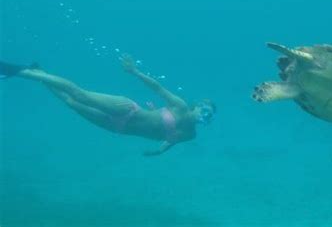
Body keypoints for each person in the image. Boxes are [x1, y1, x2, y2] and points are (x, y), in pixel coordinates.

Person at [0, 55, 216, 156]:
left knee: (71, 103)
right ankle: (19, 71)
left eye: (209, 115)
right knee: (80, 94)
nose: (205, 115)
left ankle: (40, 74)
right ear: (197, 106)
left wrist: (158, 152)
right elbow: (157, 88)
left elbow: (170, 140)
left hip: (116, 127)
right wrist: (135, 71)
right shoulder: (180, 106)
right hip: (126, 109)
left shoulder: (191, 135)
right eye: (205, 110)